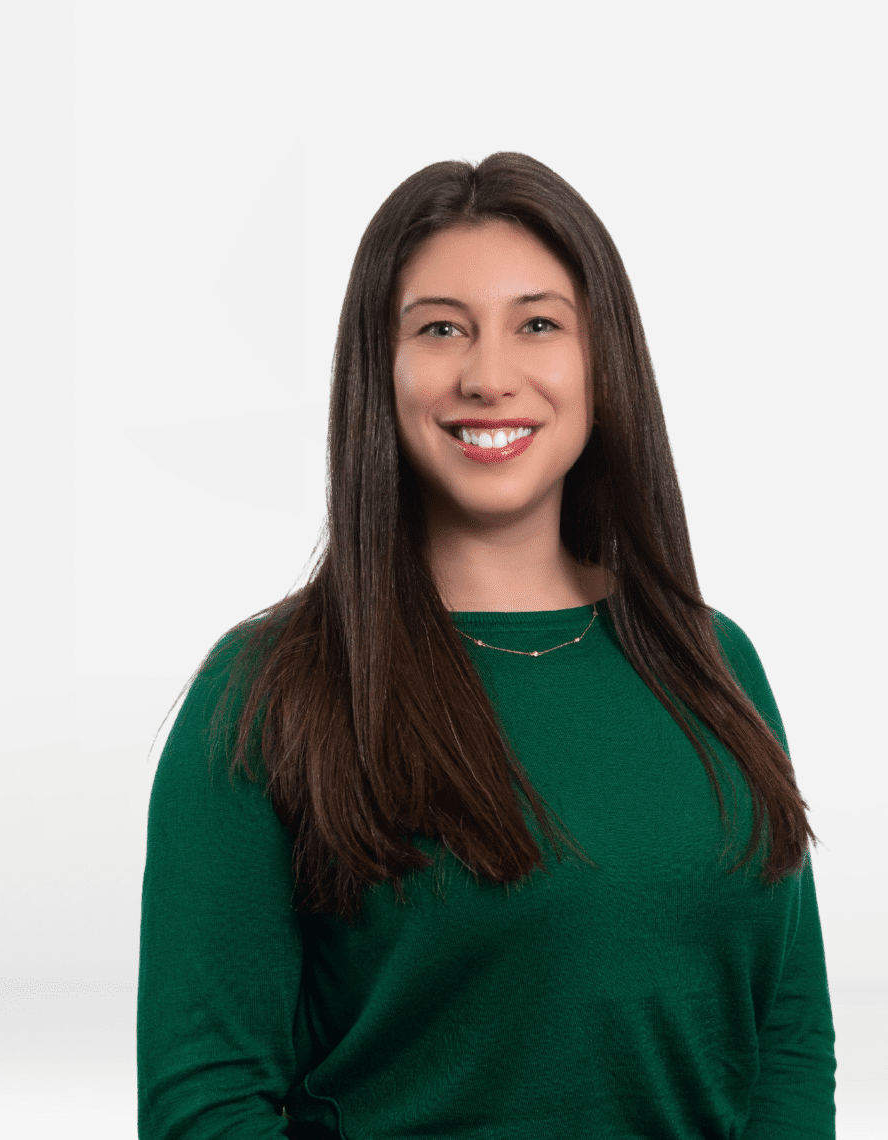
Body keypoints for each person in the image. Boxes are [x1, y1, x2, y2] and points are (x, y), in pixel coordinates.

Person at [138, 152, 836, 1139]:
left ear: (604, 362)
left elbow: (786, 1035)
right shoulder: (264, 692)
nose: (489, 376)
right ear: (380, 370)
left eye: (539, 324)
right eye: (440, 329)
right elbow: (206, 1105)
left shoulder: (716, 661)